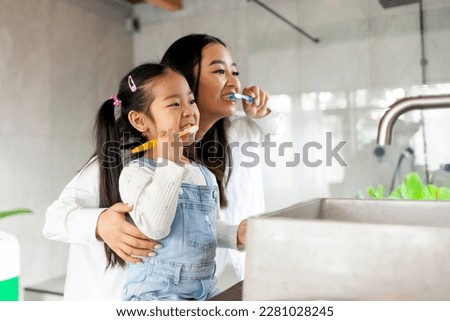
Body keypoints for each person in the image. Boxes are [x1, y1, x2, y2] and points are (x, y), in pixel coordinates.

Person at [43, 63, 245, 300]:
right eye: (175, 104)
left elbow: (201, 225)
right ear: (140, 120)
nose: (190, 112)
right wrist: (101, 223)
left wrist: (234, 235)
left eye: (191, 101)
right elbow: (53, 220)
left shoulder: (199, 168)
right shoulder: (120, 161)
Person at [160, 34, 284, 279]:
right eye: (219, 72)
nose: (234, 84)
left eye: (235, 73)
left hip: (231, 269)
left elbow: (275, 131)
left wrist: (263, 113)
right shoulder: (159, 146)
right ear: (183, 81)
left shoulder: (239, 129)